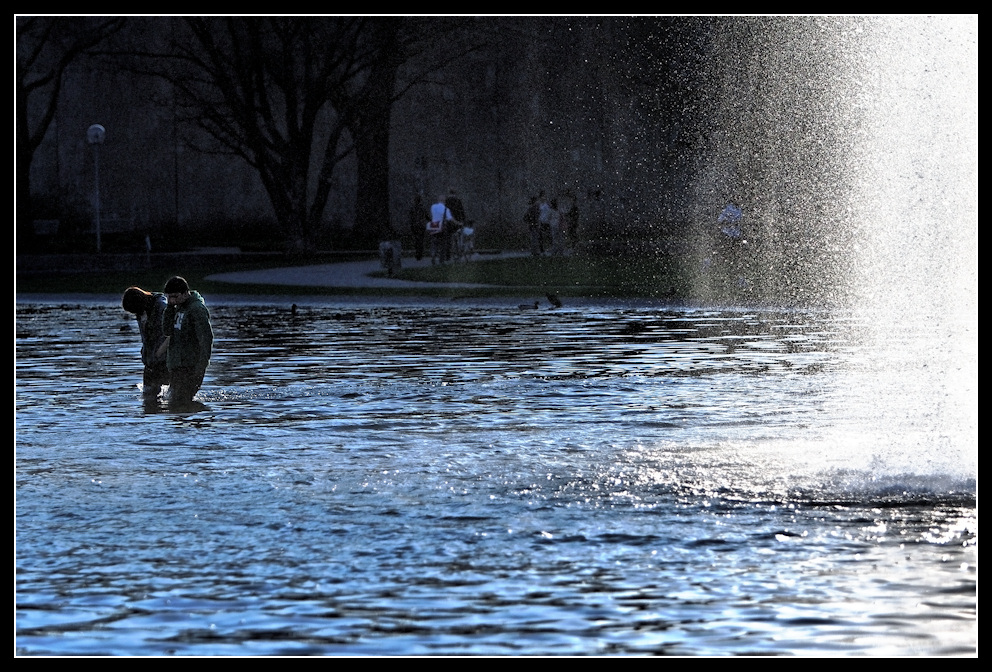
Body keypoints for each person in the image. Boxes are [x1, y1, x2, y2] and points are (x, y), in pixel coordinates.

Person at [161, 276, 213, 408]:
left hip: (191, 365)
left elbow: (206, 339)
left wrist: (201, 366)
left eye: (175, 296)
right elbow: (167, 331)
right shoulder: (176, 307)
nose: (172, 300)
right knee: (174, 404)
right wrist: (169, 308)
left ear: (186, 293)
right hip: (176, 364)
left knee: (181, 402)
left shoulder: (197, 309)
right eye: (169, 297)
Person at [121, 286, 170, 400]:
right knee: (148, 397)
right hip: (150, 361)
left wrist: (159, 352)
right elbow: (145, 338)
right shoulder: (141, 311)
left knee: (170, 396)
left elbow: (168, 334)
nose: (136, 314)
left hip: (164, 359)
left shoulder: (162, 307)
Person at [428, 194, 456, 264]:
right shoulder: (446, 209)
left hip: (433, 227)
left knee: (434, 243)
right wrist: (457, 223)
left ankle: (433, 254)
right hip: (441, 228)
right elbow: (450, 219)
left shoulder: (433, 207)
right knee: (443, 244)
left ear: (438, 200)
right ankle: (441, 259)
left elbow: (433, 215)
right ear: (444, 201)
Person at [408, 192, 429, 261]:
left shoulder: (412, 208)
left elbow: (411, 218)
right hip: (421, 226)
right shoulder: (422, 208)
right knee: (421, 240)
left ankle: (417, 253)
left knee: (416, 240)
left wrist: (411, 225)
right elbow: (427, 216)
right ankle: (420, 254)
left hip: (415, 226)